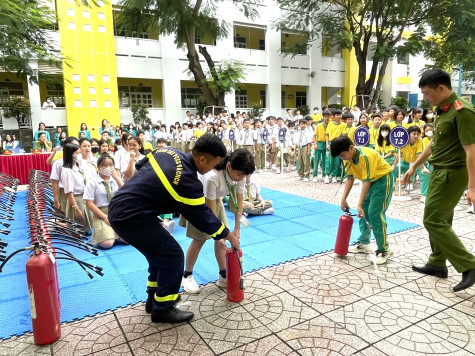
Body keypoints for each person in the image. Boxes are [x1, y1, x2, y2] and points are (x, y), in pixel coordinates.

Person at [108, 134, 240, 323]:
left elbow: (141, 166)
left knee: (158, 256)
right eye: (214, 164)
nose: (213, 168)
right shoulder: (186, 180)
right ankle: (163, 308)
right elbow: (203, 216)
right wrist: (228, 236)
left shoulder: (167, 151)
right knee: (173, 256)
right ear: (202, 159)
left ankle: (154, 299)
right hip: (130, 217)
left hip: (123, 207)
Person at [404, 68, 475, 292]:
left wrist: (472, 186)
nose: (425, 98)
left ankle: (469, 266)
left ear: (441, 88)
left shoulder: (462, 111)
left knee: (432, 220)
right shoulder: (443, 110)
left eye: (427, 93)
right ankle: (437, 263)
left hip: (452, 173)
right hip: (438, 171)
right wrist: (415, 165)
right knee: (442, 218)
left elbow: (471, 150)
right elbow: (434, 144)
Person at [180, 148, 255, 294]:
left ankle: (223, 275)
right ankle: (187, 276)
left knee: (224, 237)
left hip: (216, 199)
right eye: (239, 174)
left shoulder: (239, 175)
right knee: (200, 239)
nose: (241, 178)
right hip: (199, 200)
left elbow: (239, 203)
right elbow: (210, 210)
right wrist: (217, 234)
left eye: (244, 175)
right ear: (229, 166)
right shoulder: (213, 176)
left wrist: (237, 229)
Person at [331, 136, 395, 264]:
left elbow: (366, 182)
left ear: (351, 148)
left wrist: (359, 204)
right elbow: (350, 179)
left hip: (383, 180)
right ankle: (364, 243)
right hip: (370, 182)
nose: (342, 158)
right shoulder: (347, 158)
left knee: (375, 213)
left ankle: (384, 249)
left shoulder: (365, 156)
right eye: (340, 157)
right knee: (363, 211)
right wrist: (343, 199)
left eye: (343, 155)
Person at [84, 154, 124, 249]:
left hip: (116, 211)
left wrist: (117, 178)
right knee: (107, 244)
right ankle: (107, 234)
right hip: (100, 213)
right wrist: (105, 217)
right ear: (98, 167)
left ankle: (115, 235)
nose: (108, 168)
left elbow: (126, 191)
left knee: (128, 239)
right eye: (104, 165)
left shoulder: (115, 179)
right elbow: (89, 203)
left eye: (111, 165)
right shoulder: (92, 182)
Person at [60, 143, 92, 233]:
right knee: (77, 230)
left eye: (79, 153)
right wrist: (76, 208)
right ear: (71, 155)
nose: (79, 155)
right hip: (76, 199)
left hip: (84, 197)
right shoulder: (67, 170)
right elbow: (69, 192)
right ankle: (60, 226)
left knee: (85, 229)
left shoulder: (78, 166)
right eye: (77, 153)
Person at [312, 110, 330, 182]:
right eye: (325, 116)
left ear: (330, 117)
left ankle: (324, 175)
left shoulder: (330, 125)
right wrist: (315, 144)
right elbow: (314, 135)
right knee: (316, 160)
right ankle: (314, 175)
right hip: (319, 143)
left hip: (326, 144)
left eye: (328, 116)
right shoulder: (319, 125)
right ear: (323, 117)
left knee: (325, 161)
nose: (326, 118)